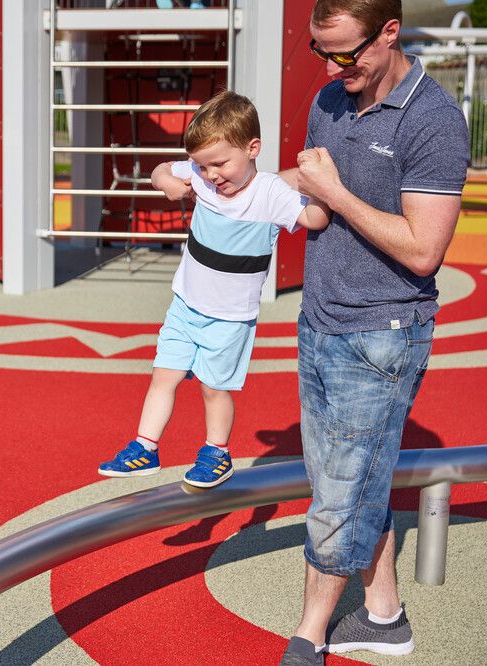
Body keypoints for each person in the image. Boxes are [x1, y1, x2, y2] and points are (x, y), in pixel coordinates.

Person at [98, 91, 329, 488]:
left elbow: (314, 218)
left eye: (220, 164)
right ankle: (144, 447)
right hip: (185, 306)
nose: (211, 175)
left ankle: (217, 453)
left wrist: (326, 187)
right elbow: (160, 170)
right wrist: (169, 182)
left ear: (252, 148)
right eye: (203, 167)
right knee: (162, 375)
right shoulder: (201, 176)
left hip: (229, 318)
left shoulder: (269, 193)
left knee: (213, 389)